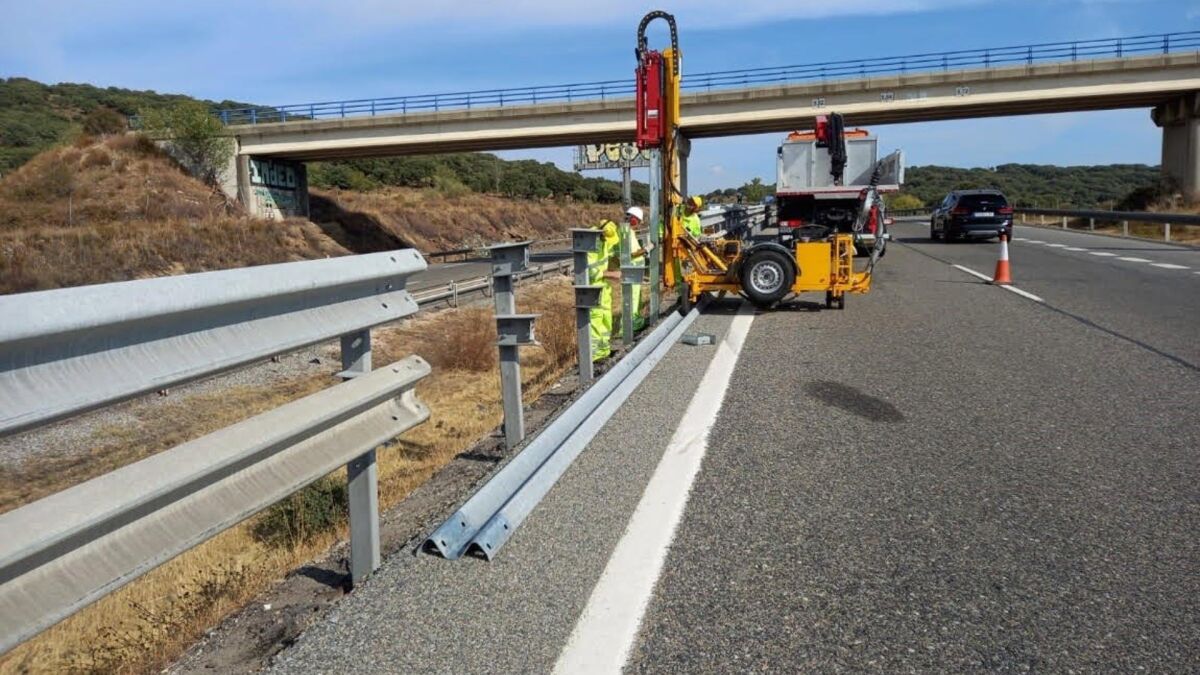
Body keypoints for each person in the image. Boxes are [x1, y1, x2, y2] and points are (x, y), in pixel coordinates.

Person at [586, 219, 620, 361]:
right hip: (593, 290)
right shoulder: (590, 245)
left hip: (603, 289)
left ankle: (604, 351)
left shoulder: (603, 242)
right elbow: (590, 273)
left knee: (606, 320)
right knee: (595, 322)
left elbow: (609, 258)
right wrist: (612, 274)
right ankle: (594, 356)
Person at [621, 207, 648, 331]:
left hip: (634, 271)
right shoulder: (627, 233)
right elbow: (632, 253)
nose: (639, 225)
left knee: (636, 297)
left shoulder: (628, 232)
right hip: (632, 271)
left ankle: (633, 321)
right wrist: (646, 249)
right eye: (638, 222)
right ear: (634, 220)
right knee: (632, 297)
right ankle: (629, 325)